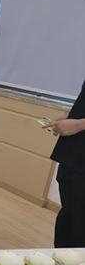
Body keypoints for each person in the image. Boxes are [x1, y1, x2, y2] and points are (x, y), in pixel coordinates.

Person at [46, 78, 85, 248]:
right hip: (73, 156)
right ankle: (62, 261)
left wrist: (78, 124)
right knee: (68, 219)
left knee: (80, 226)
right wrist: (70, 119)